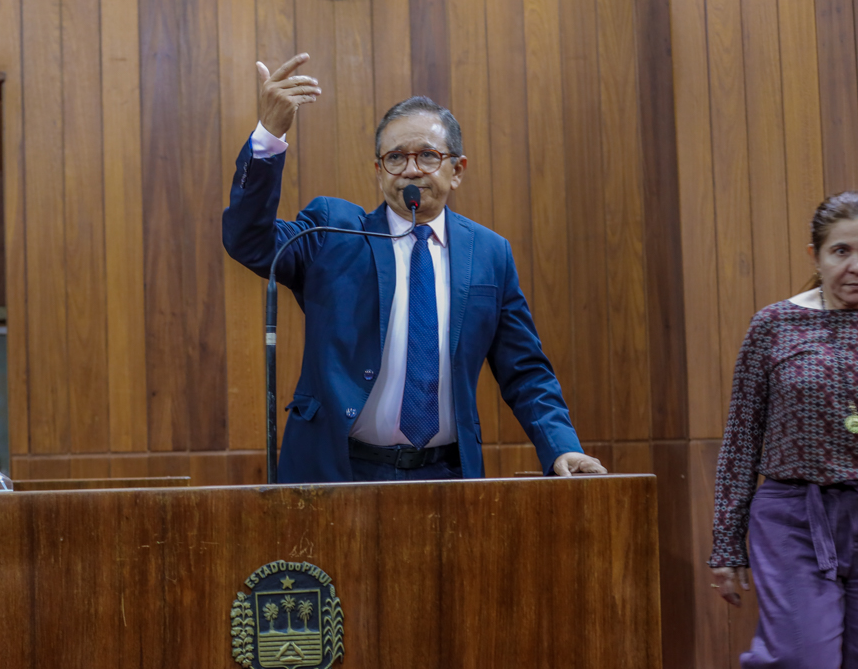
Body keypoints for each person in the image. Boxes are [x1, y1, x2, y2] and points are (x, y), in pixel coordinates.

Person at [221, 53, 606, 483]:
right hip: (335, 471)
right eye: (395, 158)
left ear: (457, 170)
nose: (410, 170)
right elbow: (249, 241)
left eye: (427, 156)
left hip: (445, 474)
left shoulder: (489, 253)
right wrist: (269, 136)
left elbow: (525, 368)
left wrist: (561, 445)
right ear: (379, 171)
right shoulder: (334, 231)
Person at [711, 191, 858, 669]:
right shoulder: (775, 325)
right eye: (841, 251)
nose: (854, 266)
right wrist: (726, 545)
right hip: (795, 516)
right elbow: (741, 438)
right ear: (815, 255)